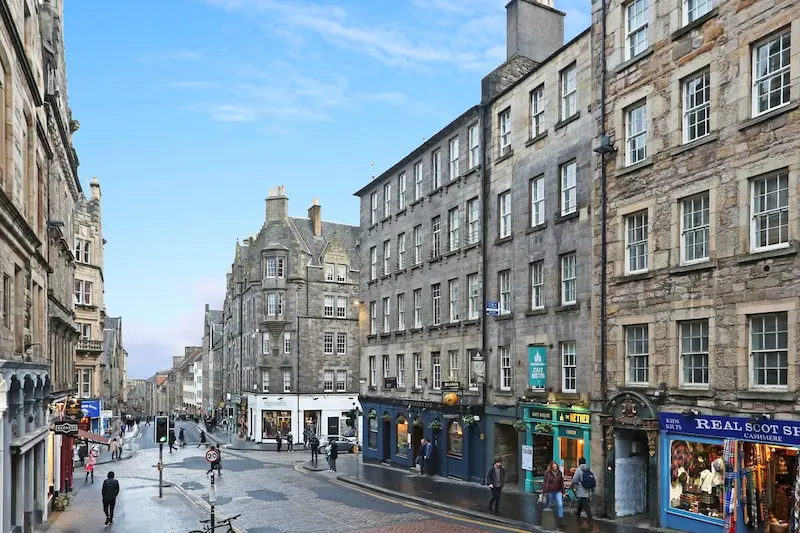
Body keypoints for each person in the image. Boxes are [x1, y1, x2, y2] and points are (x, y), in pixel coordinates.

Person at [570, 457, 594, 522]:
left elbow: (575, 480)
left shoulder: (579, 469)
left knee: (584, 502)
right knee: (582, 501)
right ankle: (578, 513)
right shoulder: (588, 469)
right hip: (588, 488)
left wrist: (572, 485)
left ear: (579, 462)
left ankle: (590, 517)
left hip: (581, 489)